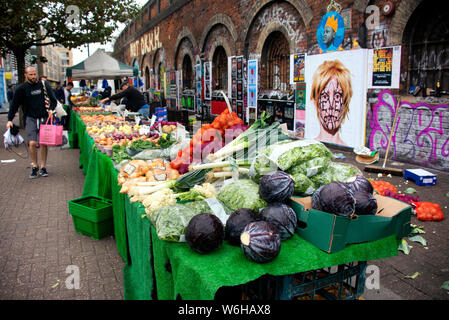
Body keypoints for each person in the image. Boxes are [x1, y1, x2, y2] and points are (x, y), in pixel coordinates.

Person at [6, 66, 57, 178]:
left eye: (35, 74)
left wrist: (51, 110)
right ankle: (35, 165)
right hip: (30, 118)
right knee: (32, 143)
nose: (34, 77)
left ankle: (43, 167)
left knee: (43, 143)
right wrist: (10, 119)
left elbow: (53, 100)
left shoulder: (43, 85)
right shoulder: (21, 89)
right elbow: (14, 105)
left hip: (44, 117)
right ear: (25, 75)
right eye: (31, 74)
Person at [310, 60, 352, 146]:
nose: (331, 105)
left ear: (345, 104)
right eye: (325, 96)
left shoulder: (350, 154)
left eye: (337, 96)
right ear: (316, 102)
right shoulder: (307, 150)